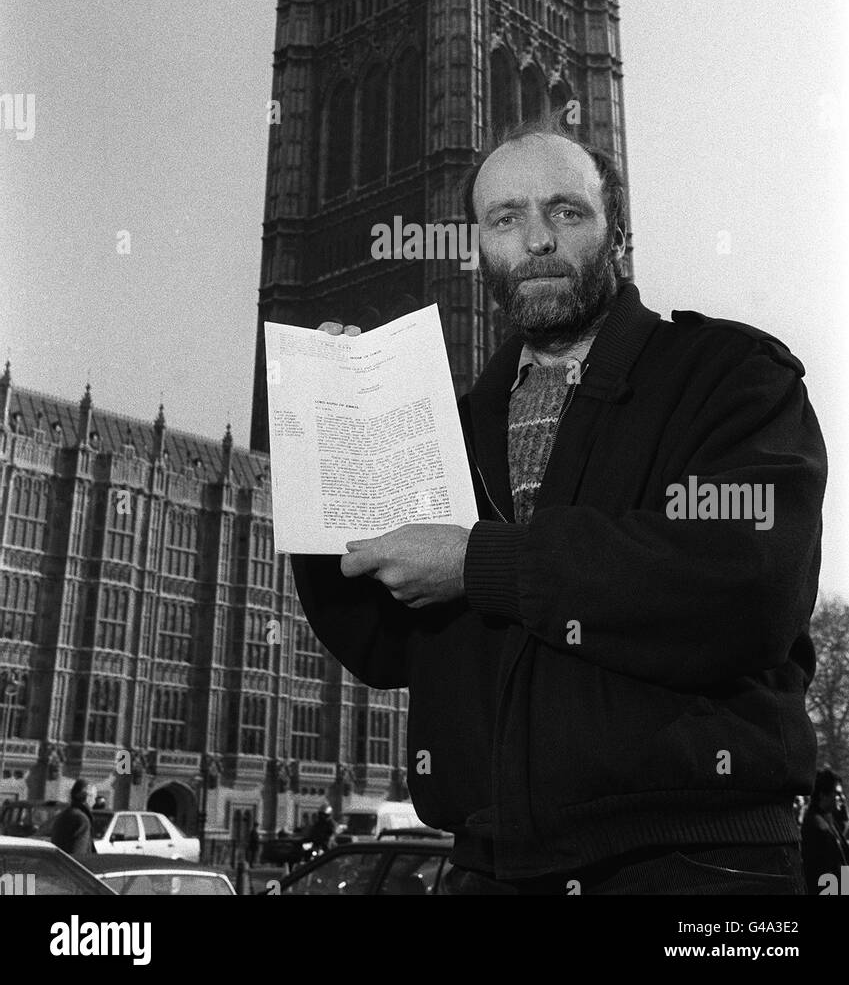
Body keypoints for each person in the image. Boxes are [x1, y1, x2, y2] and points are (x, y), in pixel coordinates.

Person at [291, 114, 826, 895]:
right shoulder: (457, 423)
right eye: (505, 219)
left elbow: (747, 585)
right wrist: (328, 450)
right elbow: (382, 646)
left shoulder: (726, 374)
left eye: (564, 211)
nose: (535, 239)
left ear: (615, 231)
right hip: (492, 865)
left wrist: (480, 562)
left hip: (692, 865)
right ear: (478, 247)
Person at [801, 769, 848, 894]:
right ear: (823, 795)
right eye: (836, 793)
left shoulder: (829, 819)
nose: (841, 798)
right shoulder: (815, 826)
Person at [50, 778, 95, 860]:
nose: (94, 802)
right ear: (87, 797)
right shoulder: (81, 819)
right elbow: (78, 854)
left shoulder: (65, 814)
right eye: (94, 797)